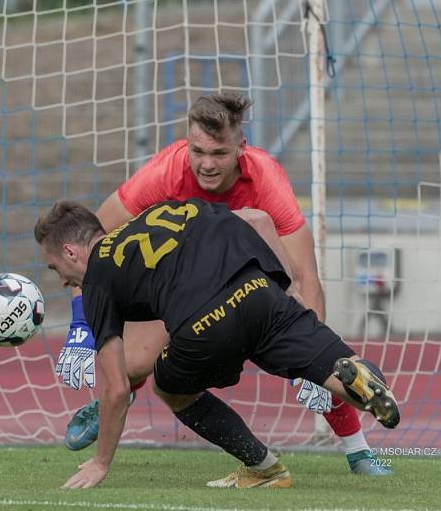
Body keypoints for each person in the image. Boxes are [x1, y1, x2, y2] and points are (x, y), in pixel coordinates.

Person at [57, 93, 390, 475]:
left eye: (219, 153)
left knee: (319, 358)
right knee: (131, 364)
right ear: (186, 143)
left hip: (249, 278)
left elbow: (304, 277)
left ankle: (357, 450)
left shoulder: (265, 180)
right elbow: (93, 248)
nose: (206, 164)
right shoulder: (165, 172)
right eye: (197, 151)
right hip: (180, 288)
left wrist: (315, 359)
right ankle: (114, 401)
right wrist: (82, 325)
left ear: (241, 148)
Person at [35, 198, 400, 489]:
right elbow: (252, 222)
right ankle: (368, 385)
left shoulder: (97, 275)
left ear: (71, 252)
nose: (64, 280)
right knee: (333, 368)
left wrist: (101, 462)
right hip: (261, 291)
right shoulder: (171, 209)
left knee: (170, 387)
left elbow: (115, 388)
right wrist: (287, 292)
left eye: (56, 269)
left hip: (204, 324)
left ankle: (263, 468)